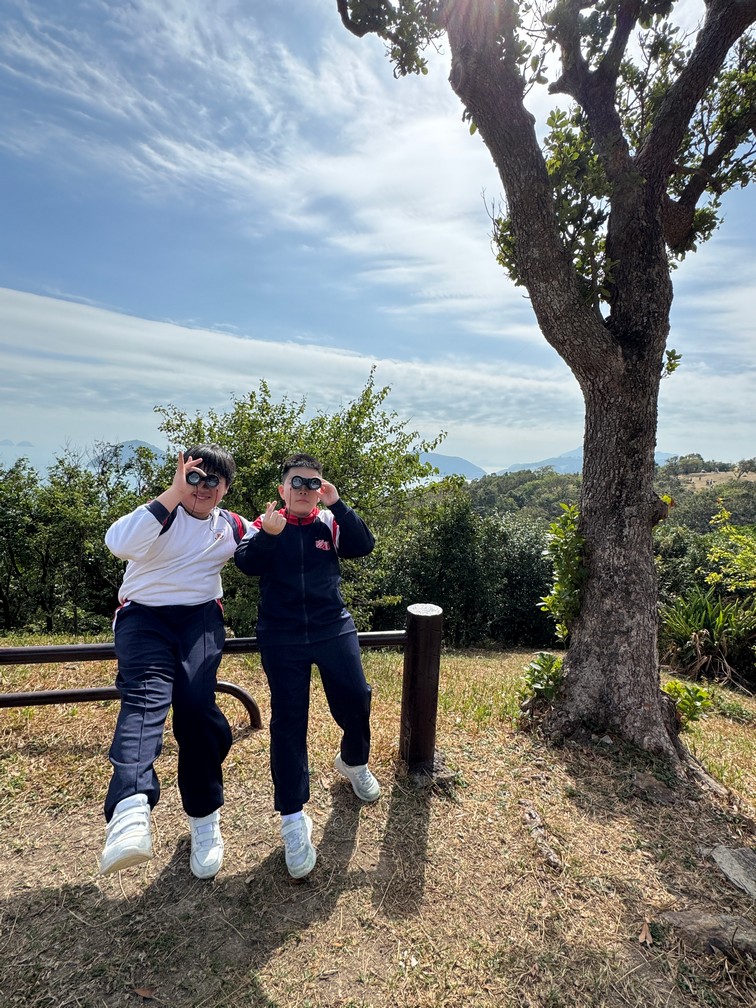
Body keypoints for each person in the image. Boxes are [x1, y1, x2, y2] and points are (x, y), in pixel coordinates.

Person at [100, 444, 248, 880]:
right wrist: (172, 493)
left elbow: (266, 543)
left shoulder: (230, 526)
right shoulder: (160, 514)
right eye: (194, 477)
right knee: (146, 699)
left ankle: (204, 817)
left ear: (225, 488)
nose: (202, 488)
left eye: (212, 480)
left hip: (199, 618)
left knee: (197, 708)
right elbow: (117, 543)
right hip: (144, 616)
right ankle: (130, 809)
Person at [234, 452, 380, 879]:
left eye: (312, 483)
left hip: (332, 625)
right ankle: (293, 819)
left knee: (357, 698)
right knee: (288, 721)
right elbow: (246, 564)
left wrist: (339, 504)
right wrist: (269, 536)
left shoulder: (329, 522)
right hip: (281, 634)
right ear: (283, 490)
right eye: (296, 483)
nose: (304, 490)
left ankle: (353, 761)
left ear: (321, 490)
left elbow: (363, 546)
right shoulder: (265, 524)